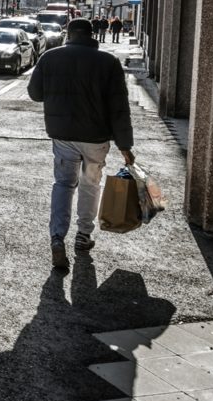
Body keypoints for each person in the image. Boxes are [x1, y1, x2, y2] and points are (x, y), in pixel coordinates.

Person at [27, 18, 134, 270]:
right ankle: (83, 235)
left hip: (63, 134)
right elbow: (119, 108)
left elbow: (35, 94)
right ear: (92, 34)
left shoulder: (50, 57)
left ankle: (57, 237)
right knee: (90, 184)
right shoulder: (108, 62)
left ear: (68, 34)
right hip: (96, 137)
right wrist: (125, 145)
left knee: (63, 184)